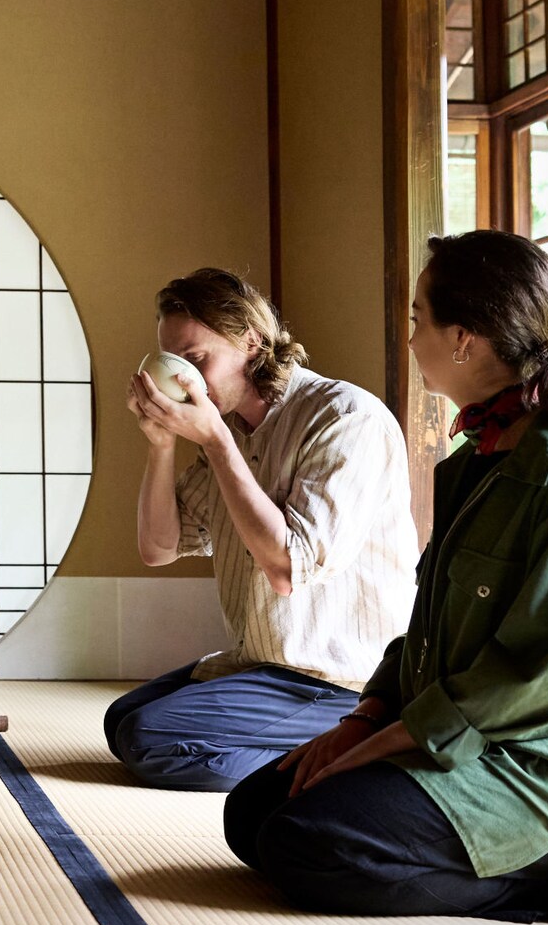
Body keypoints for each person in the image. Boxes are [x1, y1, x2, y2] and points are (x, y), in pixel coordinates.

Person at [224, 231, 548, 922]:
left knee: (306, 843)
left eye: (417, 320)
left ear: (463, 338)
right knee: (252, 812)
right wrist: (366, 718)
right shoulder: (472, 465)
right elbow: (426, 633)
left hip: (544, 762)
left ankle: (547, 873)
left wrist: (395, 740)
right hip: (456, 736)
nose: (411, 338)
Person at [108, 268, 420, 791]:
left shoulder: (344, 418)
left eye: (196, 359)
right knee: (122, 720)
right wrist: (161, 443)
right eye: (171, 363)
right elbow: (158, 548)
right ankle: (307, 749)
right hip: (262, 664)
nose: (183, 379)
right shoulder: (230, 431)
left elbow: (286, 568)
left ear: (250, 343)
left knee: (148, 737)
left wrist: (214, 442)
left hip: (339, 677)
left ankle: (349, 755)